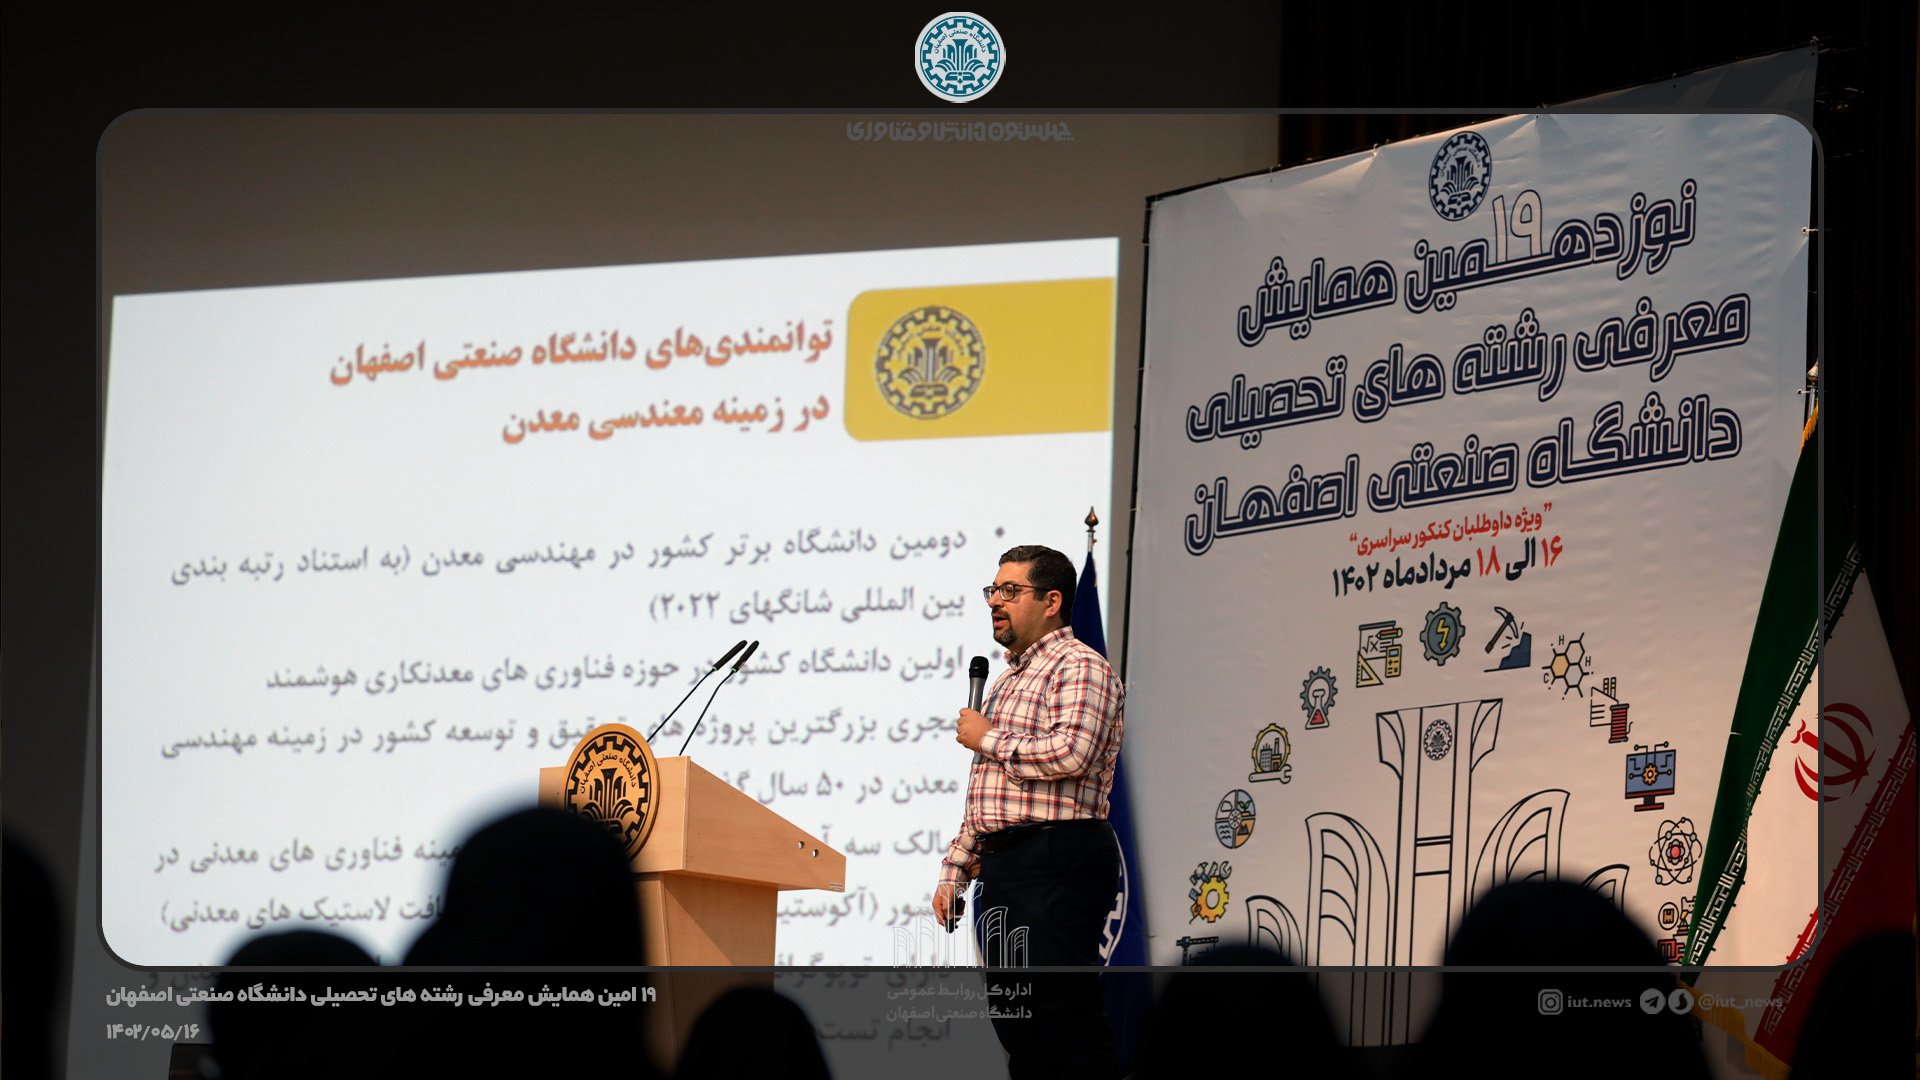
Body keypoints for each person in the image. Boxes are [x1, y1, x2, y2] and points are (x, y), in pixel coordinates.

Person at [933, 544, 1125, 1080]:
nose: (994, 601)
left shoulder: (1080, 666)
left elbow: (1073, 753)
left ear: (1051, 601)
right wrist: (954, 870)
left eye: (1010, 591)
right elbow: (988, 794)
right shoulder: (1007, 680)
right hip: (1007, 866)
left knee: (1061, 1021)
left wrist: (988, 737)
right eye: (993, 590)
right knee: (1020, 1028)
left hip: (1057, 858)